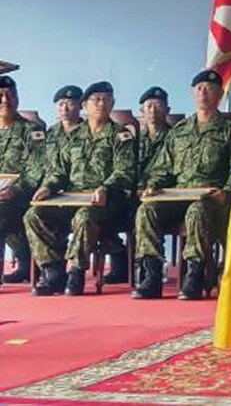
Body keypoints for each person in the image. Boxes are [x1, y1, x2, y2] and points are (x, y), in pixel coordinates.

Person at [131, 70, 231, 300]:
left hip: (211, 198)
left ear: (220, 94)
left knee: (197, 211)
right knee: (146, 210)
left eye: (209, 89)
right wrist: (153, 185)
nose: (203, 93)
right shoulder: (180, 131)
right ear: (193, 94)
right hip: (176, 195)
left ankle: (195, 274)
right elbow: (162, 168)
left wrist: (227, 191)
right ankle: (152, 275)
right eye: (199, 89)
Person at [25, 81, 135, 296]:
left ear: (113, 103)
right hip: (71, 197)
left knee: (84, 217)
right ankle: (53, 271)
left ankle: (76, 272)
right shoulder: (73, 136)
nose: (101, 103)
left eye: (106, 99)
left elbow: (125, 171)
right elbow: (59, 171)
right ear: (85, 105)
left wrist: (105, 187)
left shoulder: (121, 135)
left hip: (106, 200)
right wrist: (48, 187)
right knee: (33, 214)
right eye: (96, 99)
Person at [0, 76, 46, 285]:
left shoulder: (32, 131)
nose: (5, 100)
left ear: (18, 99)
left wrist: (15, 189)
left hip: (21, 195)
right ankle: (25, 261)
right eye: (0, 96)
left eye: (10, 95)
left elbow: (37, 170)